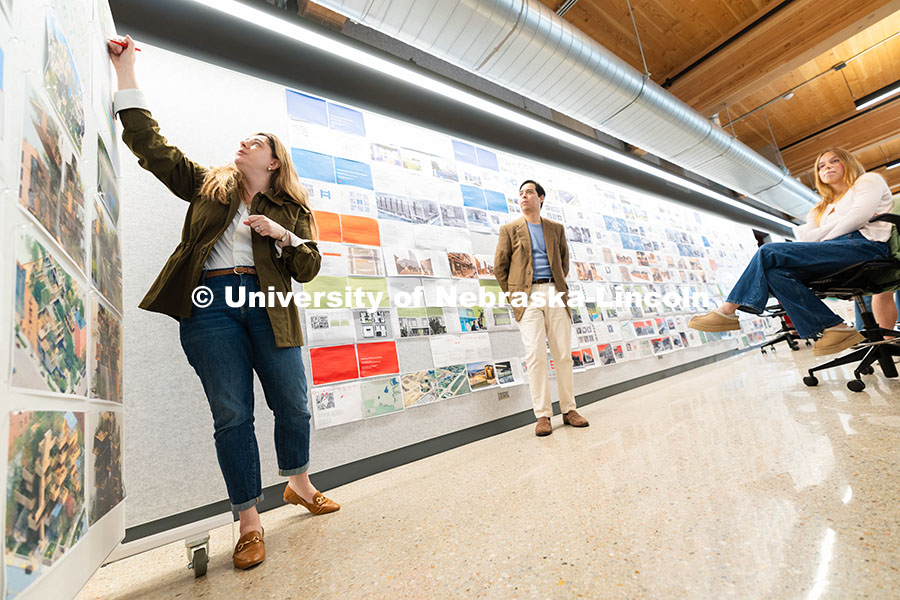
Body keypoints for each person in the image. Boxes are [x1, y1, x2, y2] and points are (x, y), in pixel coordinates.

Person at [109, 36, 339, 571]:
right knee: (232, 413)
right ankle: (249, 521)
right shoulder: (209, 185)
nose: (245, 142)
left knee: (294, 403)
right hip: (210, 304)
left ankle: (299, 485)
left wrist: (283, 235)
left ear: (276, 159)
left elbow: (308, 268)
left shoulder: (294, 209)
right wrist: (126, 71)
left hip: (270, 304)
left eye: (257, 140)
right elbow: (152, 146)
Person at [689, 148, 893, 356]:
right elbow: (806, 239)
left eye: (834, 161)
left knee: (768, 252)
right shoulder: (820, 208)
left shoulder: (867, 181)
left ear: (848, 163)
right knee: (774, 273)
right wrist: (836, 229)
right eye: (821, 166)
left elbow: (858, 217)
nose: (827, 167)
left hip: (865, 249)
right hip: (834, 254)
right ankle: (834, 327)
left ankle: (727, 310)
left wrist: (824, 234)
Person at [494, 180, 589, 436]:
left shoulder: (555, 229)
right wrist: (516, 296)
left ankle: (569, 409)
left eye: (529, 193)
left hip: (555, 292)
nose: (524, 197)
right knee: (535, 354)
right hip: (527, 295)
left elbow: (564, 262)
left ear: (541, 198)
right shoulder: (509, 229)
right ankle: (543, 415)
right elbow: (499, 268)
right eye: (521, 194)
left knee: (563, 355)